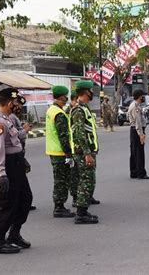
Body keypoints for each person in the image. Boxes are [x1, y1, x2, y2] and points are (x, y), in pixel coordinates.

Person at [0, 88, 33, 254]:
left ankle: (14, 234)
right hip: (7, 167)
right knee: (7, 204)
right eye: (14, 103)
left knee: (25, 199)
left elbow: (14, 142)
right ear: (8, 103)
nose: (16, 105)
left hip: (17, 164)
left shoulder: (7, 120)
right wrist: (2, 175)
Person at [70, 80, 99, 224]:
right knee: (86, 181)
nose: (92, 93)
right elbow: (80, 134)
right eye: (91, 90)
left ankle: (83, 210)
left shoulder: (84, 108)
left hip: (87, 151)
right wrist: (87, 153)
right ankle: (81, 213)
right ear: (86, 92)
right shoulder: (78, 110)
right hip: (83, 152)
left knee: (89, 180)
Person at [45, 85, 75, 218]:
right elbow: (63, 136)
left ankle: (59, 205)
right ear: (62, 97)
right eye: (65, 97)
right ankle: (59, 207)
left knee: (59, 179)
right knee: (62, 181)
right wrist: (69, 153)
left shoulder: (51, 110)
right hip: (60, 153)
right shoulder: (59, 114)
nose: (66, 100)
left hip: (53, 151)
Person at [9, 97, 35, 210]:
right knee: (17, 181)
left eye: (20, 105)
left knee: (21, 180)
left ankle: (23, 202)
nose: (19, 107)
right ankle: (18, 204)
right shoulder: (10, 117)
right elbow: (14, 136)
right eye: (17, 104)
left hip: (19, 153)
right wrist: (24, 130)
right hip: (14, 155)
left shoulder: (14, 117)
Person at [127, 89, 149, 180]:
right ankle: (141, 173)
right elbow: (138, 122)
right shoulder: (135, 107)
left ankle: (134, 172)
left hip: (134, 130)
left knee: (134, 152)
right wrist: (141, 134)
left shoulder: (134, 105)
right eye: (143, 96)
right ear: (139, 97)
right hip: (137, 131)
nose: (144, 98)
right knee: (139, 153)